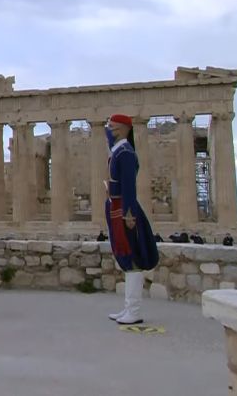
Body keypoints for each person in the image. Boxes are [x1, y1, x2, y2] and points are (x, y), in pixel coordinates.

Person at [103, 114, 159, 325]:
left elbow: (129, 187)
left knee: (132, 257)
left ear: (124, 129)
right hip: (117, 208)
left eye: (112, 128)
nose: (109, 131)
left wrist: (129, 214)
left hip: (125, 212)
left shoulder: (125, 153)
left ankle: (134, 311)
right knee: (125, 258)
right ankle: (128, 308)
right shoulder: (118, 153)